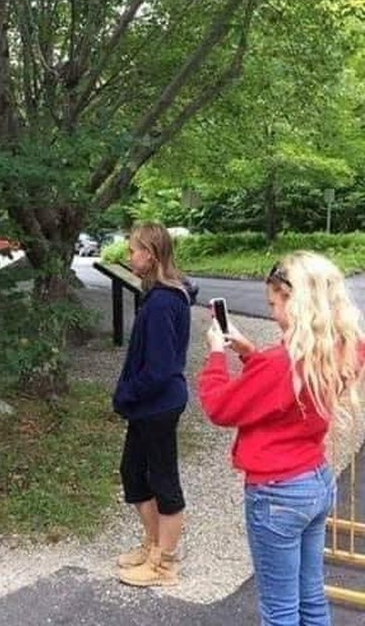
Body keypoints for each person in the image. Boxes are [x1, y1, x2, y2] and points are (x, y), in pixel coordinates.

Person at [198, 251, 364, 625]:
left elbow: (219, 408)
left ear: (296, 300)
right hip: (316, 481)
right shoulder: (342, 347)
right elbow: (288, 394)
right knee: (310, 599)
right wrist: (250, 353)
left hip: (278, 494)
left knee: (279, 612)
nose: (272, 312)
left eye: (274, 303)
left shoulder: (281, 363)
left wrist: (215, 356)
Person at [112, 222, 195, 587]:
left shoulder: (163, 302)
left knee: (163, 480)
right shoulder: (158, 295)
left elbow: (160, 369)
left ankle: (165, 565)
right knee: (133, 473)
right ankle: (153, 545)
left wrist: (126, 394)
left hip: (158, 404)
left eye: (133, 250)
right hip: (149, 405)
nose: (129, 256)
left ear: (150, 253)